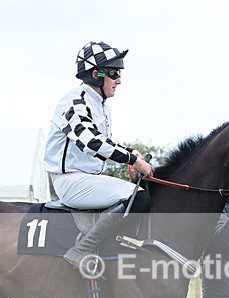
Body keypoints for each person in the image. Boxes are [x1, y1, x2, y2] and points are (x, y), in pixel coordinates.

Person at [44, 40, 154, 271]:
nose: (119, 80)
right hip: (70, 181)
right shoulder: (75, 100)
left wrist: (131, 153)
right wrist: (132, 160)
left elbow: (105, 141)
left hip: (87, 179)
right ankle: (82, 249)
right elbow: (91, 140)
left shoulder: (101, 105)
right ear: (96, 74)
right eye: (114, 73)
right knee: (138, 197)